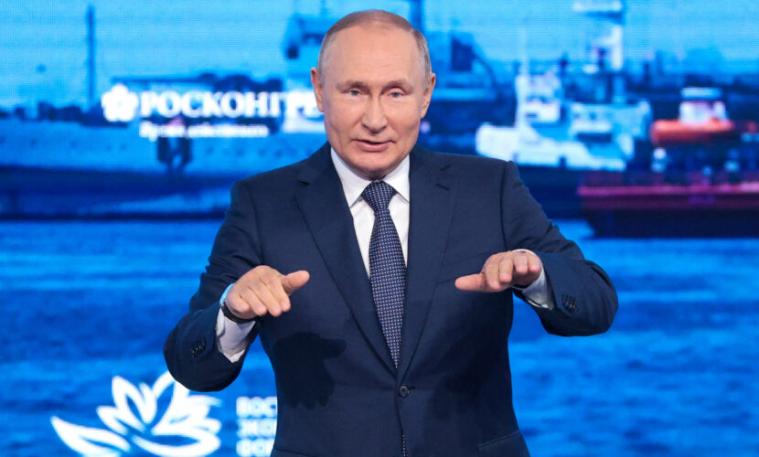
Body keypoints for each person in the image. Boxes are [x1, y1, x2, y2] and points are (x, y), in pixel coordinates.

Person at [164, 10, 617, 457]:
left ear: (426, 94)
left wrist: (537, 275)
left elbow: (596, 303)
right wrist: (232, 313)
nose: (375, 119)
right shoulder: (263, 204)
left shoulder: (490, 189)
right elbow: (191, 366)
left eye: (396, 93)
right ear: (319, 90)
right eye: (355, 92)